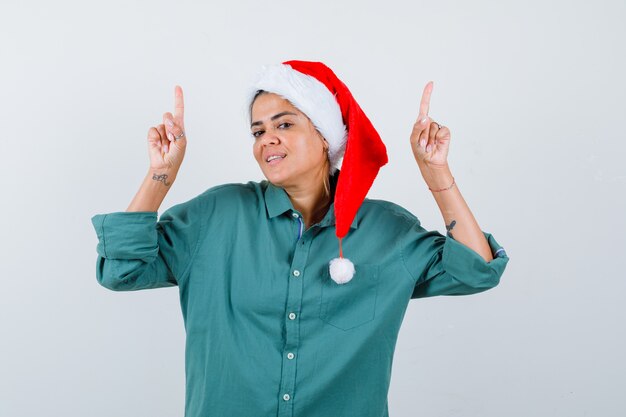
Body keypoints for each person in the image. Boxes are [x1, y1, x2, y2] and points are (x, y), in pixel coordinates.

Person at [90, 60, 509, 417]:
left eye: (284, 124)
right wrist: (160, 175)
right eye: (258, 131)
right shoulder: (216, 216)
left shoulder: (387, 230)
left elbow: (476, 271)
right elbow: (121, 271)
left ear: (326, 136)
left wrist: (437, 175)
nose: (267, 139)